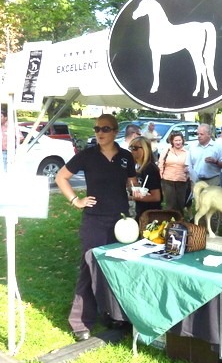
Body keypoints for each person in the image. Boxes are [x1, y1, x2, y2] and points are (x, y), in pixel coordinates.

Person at [55, 114, 138, 341]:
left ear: (115, 131)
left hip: (121, 220)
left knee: (116, 268)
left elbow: (132, 183)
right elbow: (61, 177)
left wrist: (136, 189)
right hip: (94, 220)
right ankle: (80, 322)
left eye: (105, 129)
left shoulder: (125, 156)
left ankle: (115, 316)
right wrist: (76, 200)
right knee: (89, 266)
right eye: (97, 128)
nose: (100, 132)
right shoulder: (88, 155)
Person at [158, 131, 192, 215]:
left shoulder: (187, 153)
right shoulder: (167, 151)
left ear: (182, 140)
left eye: (179, 140)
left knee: (180, 203)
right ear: (172, 141)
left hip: (182, 181)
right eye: (176, 140)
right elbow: (161, 164)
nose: (178, 142)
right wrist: (160, 177)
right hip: (168, 180)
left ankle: (180, 219)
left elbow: (190, 165)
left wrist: (188, 169)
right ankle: (170, 219)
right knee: (170, 203)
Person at [128, 136, 162, 221]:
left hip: (150, 214)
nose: (132, 151)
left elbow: (156, 197)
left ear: (144, 149)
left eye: (135, 148)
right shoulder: (138, 167)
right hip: (141, 211)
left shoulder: (150, 169)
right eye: (131, 148)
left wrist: (132, 197)